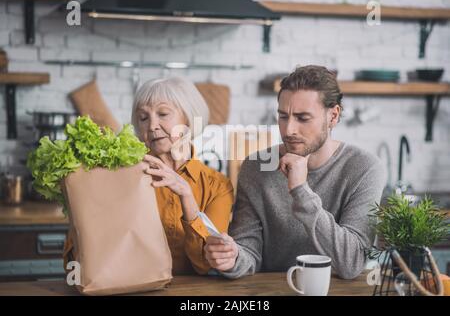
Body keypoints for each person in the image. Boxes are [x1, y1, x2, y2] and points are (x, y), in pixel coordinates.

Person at [204, 65, 386, 279]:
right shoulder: (256, 166)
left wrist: (301, 190)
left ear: (333, 116)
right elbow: (249, 253)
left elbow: (352, 262)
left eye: (302, 118)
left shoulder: (365, 168)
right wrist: (232, 258)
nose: (289, 129)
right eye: (283, 116)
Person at [63, 77, 234, 275]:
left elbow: (206, 264)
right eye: (143, 118)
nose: (152, 125)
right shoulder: (122, 176)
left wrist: (186, 196)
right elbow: (83, 256)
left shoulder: (218, 186)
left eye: (163, 114)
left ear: (188, 119)